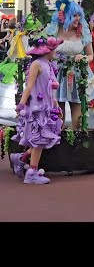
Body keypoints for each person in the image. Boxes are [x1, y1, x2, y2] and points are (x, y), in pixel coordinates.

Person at [10, 36, 63, 184]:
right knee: (39, 141)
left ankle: (21, 159)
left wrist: (55, 104)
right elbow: (30, 86)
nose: (56, 52)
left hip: (46, 107)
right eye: (54, 49)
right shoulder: (37, 64)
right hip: (36, 108)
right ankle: (32, 173)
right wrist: (21, 105)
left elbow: (49, 89)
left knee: (42, 139)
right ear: (47, 50)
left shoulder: (48, 65)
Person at [45, 0, 94, 129]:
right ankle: (58, 143)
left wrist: (83, 58)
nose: (78, 18)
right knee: (58, 116)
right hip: (57, 74)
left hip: (77, 74)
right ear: (65, 16)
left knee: (78, 120)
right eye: (74, 15)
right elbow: (45, 52)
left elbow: (91, 55)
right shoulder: (54, 30)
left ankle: (75, 144)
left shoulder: (83, 31)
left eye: (79, 15)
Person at [0, 14, 43, 119]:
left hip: (29, 64)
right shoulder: (20, 37)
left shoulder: (19, 36)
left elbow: (11, 54)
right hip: (23, 64)